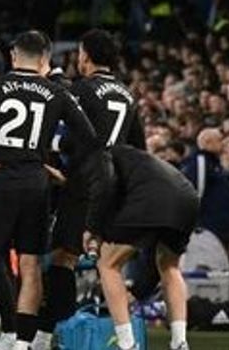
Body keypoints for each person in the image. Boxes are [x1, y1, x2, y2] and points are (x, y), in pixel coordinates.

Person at [0, 31, 102, 350]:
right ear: (45, 58)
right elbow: (90, 138)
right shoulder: (57, 92)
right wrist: (62, 172)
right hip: (36, 184)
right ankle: (23, 344)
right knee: (30, 264)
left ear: (13, 55)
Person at [44, 30, 144, 340]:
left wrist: (56, 155)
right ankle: (123, 337)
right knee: (108, 264)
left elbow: (71, 139)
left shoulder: (82, 89)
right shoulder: (128, 95)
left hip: (84, 184)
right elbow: (138, 147)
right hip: (114, 186)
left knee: (63, 257)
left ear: (85, 56)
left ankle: (59, 333)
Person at [89, 145, 200, 350]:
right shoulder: (136, 157)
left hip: (153, 197)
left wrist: (93, 229)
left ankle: (127, 343)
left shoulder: (100, 157)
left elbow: (105, 190)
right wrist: (140, 291)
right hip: (187, 198)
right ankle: (180, 342)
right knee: (169, 267)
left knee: (107, 264)